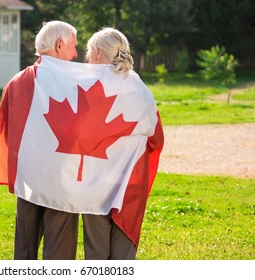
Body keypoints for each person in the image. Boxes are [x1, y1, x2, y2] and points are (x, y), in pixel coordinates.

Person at [0, 21, 79, 260]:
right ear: (60, 45)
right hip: (62, 178)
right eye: (73, 47)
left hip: (27, 177)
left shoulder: (16, 81)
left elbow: (7, 131)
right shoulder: (75, 82)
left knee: (24, 250)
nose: (76, 54)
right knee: (59, 252)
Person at [82, 27, 164, 259]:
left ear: (98, 53)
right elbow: (156, 137)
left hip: (95, 177)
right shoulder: (141, 87)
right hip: (131, 179)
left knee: (96, 248)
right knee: (124, 249)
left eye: (88, 52)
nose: (86, 57)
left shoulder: (86, 85)